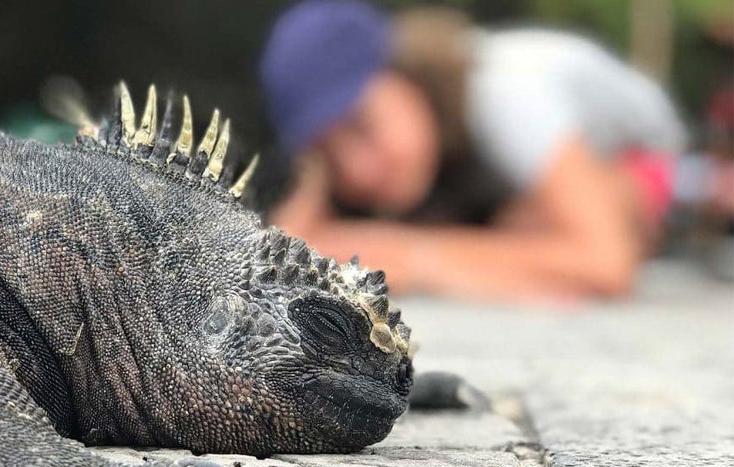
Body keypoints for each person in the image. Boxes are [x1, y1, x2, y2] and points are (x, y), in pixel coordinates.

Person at [259, 1, 687, 302]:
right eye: (328, 155)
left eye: (362, 125)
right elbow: (275, 258)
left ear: (406, 71)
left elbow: (606, 265)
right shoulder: (405, 142)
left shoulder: (502, 90)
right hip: (523, 188)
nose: (359, 170)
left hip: (646, 166)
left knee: (533, 228)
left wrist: (413, 255)